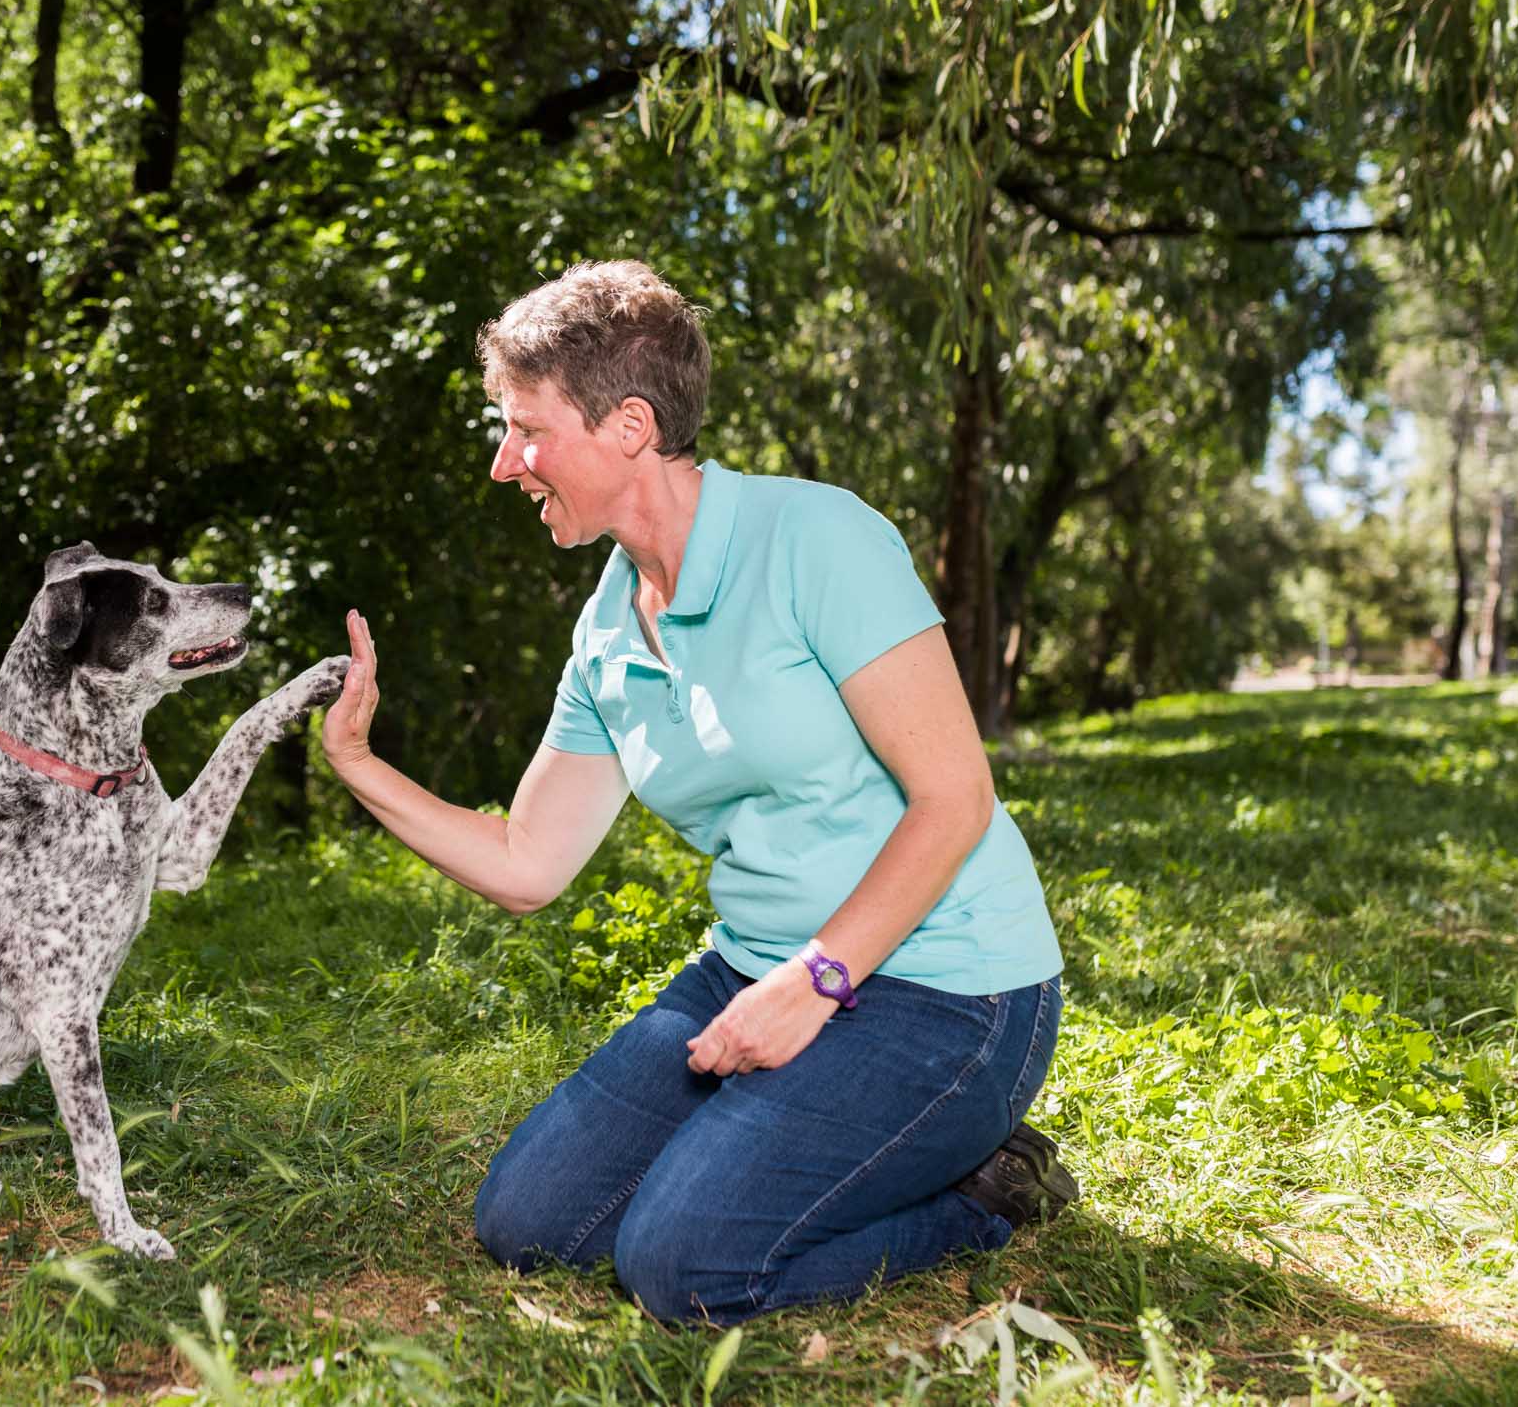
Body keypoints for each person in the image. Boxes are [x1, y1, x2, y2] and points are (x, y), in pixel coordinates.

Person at [317, 260, 1075, 1325]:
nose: (503, 464)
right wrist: (359, 763)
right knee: (529, 1224)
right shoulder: (608, 625)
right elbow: (528, 864)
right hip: (753, 972)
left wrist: (814, 982)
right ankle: (792, 1143)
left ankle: (981, 1191)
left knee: (682, 1267)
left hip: (948, 990)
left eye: (525, 430)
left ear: (627, 426)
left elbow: (955, 798)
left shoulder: (816, 540)